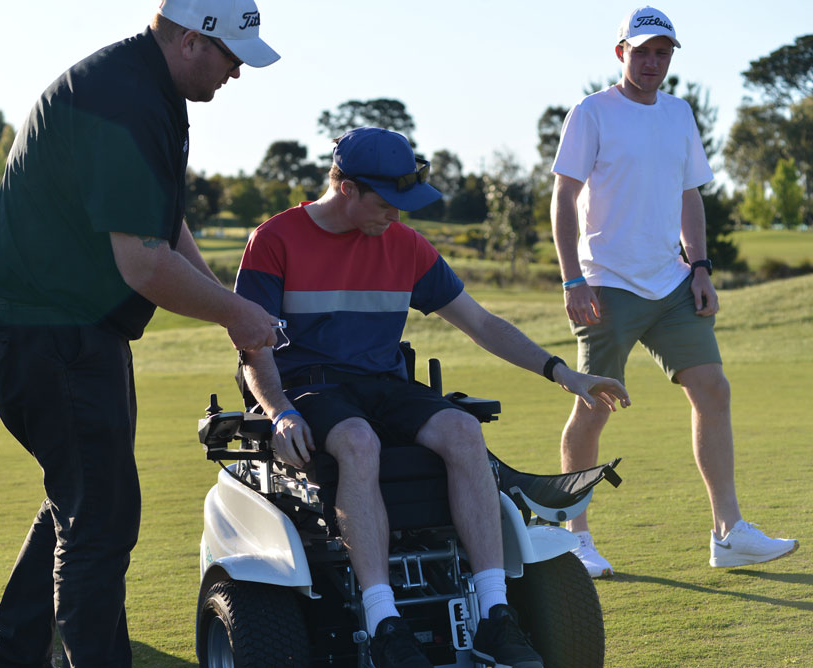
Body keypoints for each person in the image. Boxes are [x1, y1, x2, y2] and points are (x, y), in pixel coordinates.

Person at [235, 127, 631, 668]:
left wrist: (563, 373)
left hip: (384, 384)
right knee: (357, 440)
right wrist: (279, 412)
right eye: (385, 203)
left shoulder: (406, 245)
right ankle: (384, 623)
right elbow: (253, 349)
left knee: (464, 431)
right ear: (346, 188)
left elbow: (481, 323)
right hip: (310, 385)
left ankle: (494, 615)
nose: (396, 216)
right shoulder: (274, 239)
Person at [0, 1, 281, 666]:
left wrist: (227, 303)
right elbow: (142, 264)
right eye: (231, 56)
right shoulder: (127, 99)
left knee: (80, 500)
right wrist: (236, 314)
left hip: (60, 329)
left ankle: (10, 657)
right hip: (50, 333)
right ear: (193, 40)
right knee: (101, 521)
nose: (236, 72)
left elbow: (162, 223)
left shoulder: (142, 86)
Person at [550, 6, 798, 579]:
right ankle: (574, 537)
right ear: (621, 53)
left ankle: (728, 533)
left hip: (672, 282)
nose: (653, 62)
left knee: (713, 388)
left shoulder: (679, 113)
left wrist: (701, 267)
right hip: (606, 284)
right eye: (642, 52)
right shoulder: (591, 112)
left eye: (662, 53)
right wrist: (572, 278)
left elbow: (690, 195)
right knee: (594, 404)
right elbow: (564, 197)